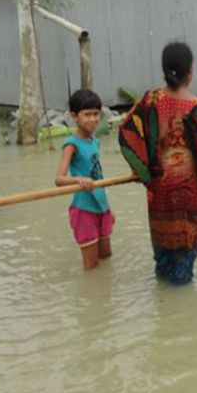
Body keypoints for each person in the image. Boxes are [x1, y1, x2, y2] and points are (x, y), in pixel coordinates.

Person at [118, 42, 197, 285]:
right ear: (190, 73)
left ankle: (166, 313)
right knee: (183, 270)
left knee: (163, 261)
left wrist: (145, 173)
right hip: (187, 200)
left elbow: (126, 135)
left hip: (158, 197)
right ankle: (181, 318)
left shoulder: (150, 101)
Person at [55, 89, 114, 271]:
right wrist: (78, 179)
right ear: (74, 116)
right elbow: (59, 179)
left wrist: (108, 208)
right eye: (87, 114)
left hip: (101, 206)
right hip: (84, 209)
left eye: (96, 114)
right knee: (92, 265)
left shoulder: (95, 141)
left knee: (106, 256)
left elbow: (98, 174)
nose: (93, 119)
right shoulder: (71, 145)